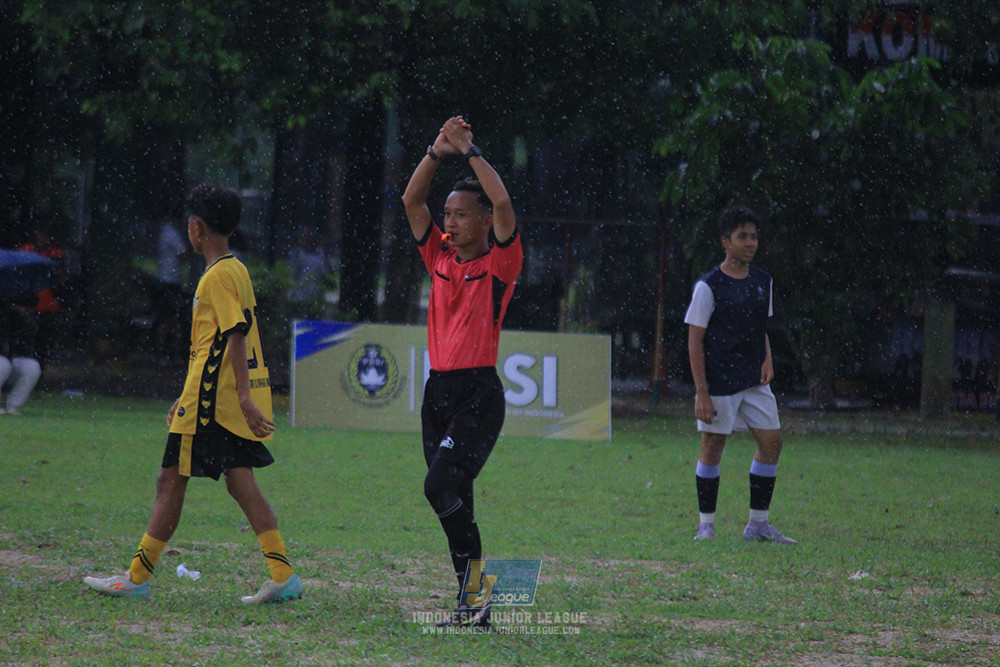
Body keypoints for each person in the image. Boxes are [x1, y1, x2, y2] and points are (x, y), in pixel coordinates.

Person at [84, 185, 302, 603]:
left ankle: (136, 578)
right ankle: (282, 574)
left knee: (169, 483)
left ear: (196, 229)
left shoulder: (216, 276)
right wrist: (188, 395)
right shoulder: (235, 268)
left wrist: (240, 398)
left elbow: (234, 336)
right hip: (208, 398)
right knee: (241, 484)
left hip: (211, 406)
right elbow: (215, 344)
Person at [401, 116, 523, 628]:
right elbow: (411, 203)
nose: (448, 223)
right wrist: (434, 150)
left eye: (459, 215)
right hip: (439, 393)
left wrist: (469, 151)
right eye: (446, 214)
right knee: (456, 499)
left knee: (437, 488)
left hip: (478, 394)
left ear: (481, 221)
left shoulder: (499, 263)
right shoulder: (439, 257)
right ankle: (474, 604)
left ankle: (478, 597)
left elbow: (503, 204)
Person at [684, 206, 796, 544]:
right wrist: (702, 392)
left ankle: (757, 525)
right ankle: (707, 525)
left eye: (754, 237)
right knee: (713, 444)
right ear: (725, 242)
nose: (750, 243)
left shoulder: (763, 281)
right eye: (742, 237)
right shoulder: (709, 286)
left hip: (754, 379)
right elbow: (695, 340)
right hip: (719, 380)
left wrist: (767, 357)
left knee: (772, 442)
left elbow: (759, 325)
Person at [152, 214, 191, 364]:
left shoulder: (164, 232)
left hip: (165, 279)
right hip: (171, 281)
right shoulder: (172, 234)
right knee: (172, 319)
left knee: (166, 318)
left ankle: (163, 354)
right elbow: (184, 254)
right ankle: (170, 355)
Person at [0, 302, 42, 415]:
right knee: (2, 365)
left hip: (10, 358)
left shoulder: (20, 319)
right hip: (3, 361)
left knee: (31, 367)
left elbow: (24, 345)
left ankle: (13, 406)